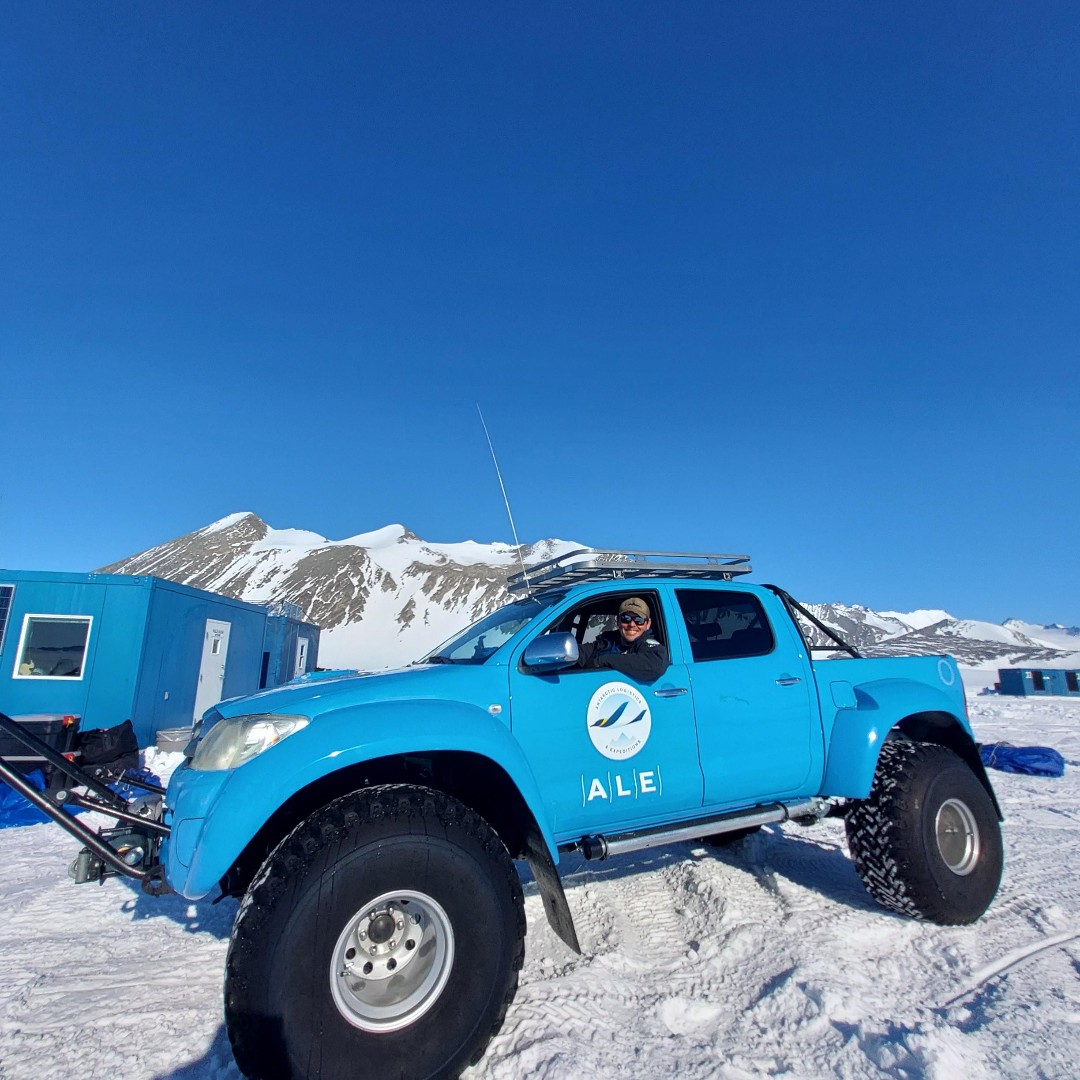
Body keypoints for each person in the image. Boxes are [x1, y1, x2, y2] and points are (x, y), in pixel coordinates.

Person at [577, 597, 668, 681]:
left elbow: (656, 665)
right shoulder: (607, 642)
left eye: (639, 620)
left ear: (648, 624)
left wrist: (602, 661)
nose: (632, 624)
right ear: (618, 621)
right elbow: (582, 652)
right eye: (626, 619)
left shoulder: (648, 645)